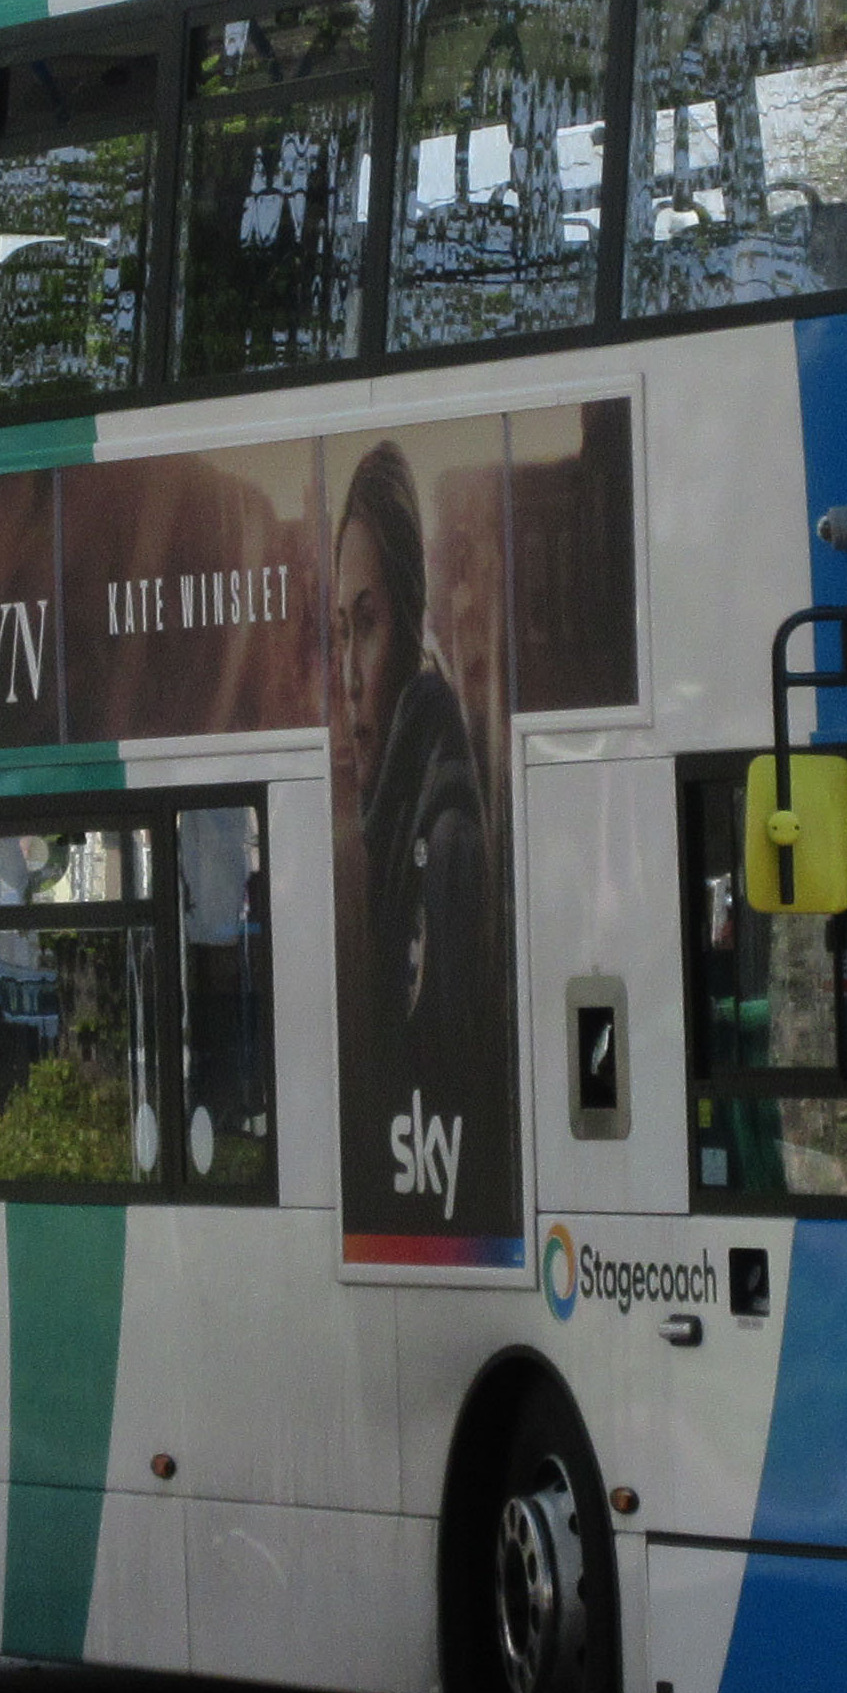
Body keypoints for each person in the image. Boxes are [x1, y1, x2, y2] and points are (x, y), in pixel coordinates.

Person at [332, 438, 503, 1225]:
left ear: (409, 620)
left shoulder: (443, 836)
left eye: (366, 625)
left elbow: (451, 1094)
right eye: (340, 632)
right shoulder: (395, 818)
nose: (350, 675)